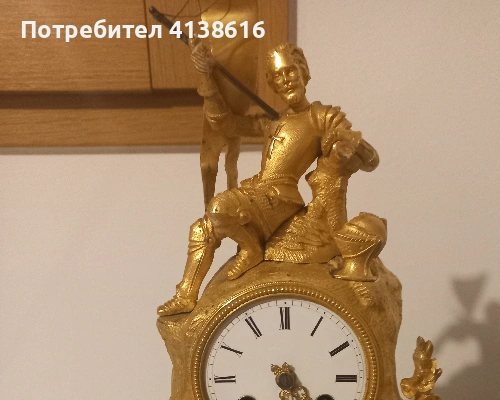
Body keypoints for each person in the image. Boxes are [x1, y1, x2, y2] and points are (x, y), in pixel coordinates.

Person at [158, 41, 378, 316]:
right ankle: (186, 296)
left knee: (219, 208)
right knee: (201, 230)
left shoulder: (321, 117)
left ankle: (251, 250)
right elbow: (224, 123)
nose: (286, 80)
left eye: (290, 71)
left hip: (280, 199)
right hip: (255, 194)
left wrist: (346, 147)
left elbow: (371, 159)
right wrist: (206, 76)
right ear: (272, 85)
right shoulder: (271, 120)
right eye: (277, 76)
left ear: (304, 72)